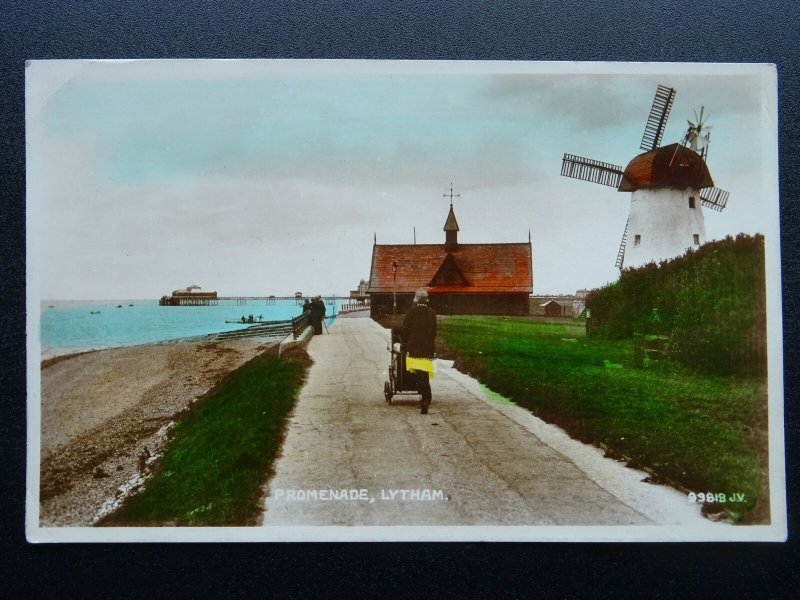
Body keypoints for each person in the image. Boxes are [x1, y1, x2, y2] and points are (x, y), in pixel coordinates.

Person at [402, 289, 437, 414]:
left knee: (418, 373)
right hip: (428, 348)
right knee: (425, 373)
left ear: (416, 299)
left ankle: (425, 398)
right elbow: (434, 332)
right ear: (427, 300)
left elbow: (405, 330)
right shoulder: (432, 313)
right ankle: (426, 398)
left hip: (414, 348)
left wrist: (405, 342)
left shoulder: (411, 313)